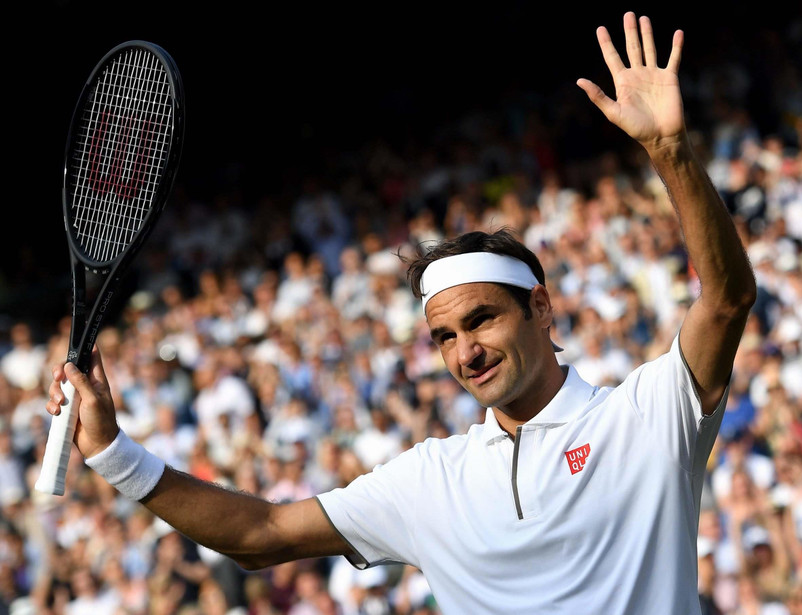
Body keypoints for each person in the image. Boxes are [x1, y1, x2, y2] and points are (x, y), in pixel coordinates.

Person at [44, 13, 756, 614]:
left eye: (481, 320)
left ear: (540, 307)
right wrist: (112, 453)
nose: (464, 351)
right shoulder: (428, 479)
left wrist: (671, 154)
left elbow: (725, 299)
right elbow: (260, 532)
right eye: (444, 336)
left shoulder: (645, 416)